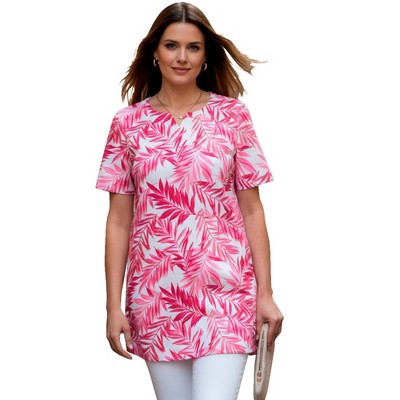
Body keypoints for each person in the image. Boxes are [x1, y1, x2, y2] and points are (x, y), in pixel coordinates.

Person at [96, 2, 283, 399]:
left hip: (226, 294)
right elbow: (118, 221)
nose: (182, 56)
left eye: (193, 47)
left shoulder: (233, 116)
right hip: (156, 297)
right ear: (155, 52)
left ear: (204, 56)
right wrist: (113, 306)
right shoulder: (127, 124)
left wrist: (265, 293)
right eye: (172, 45)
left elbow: (252, 209)